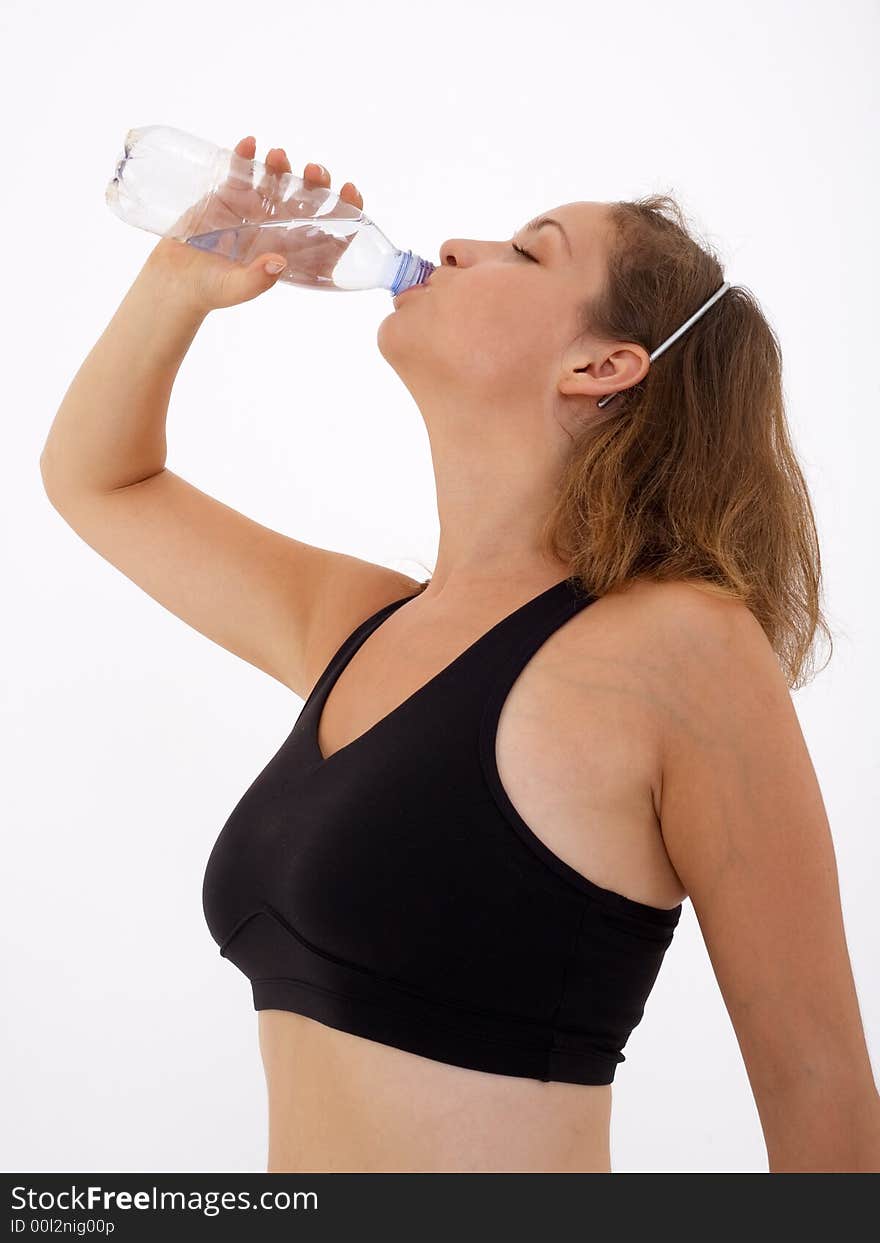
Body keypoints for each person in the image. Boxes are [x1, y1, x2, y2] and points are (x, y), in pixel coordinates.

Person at [40, 137, 880, 1174]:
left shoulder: (682, 649)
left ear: (601, 365)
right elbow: (98, 480)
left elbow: (817, 1086)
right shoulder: (362, 627)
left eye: (529, 253)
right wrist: (180, 277)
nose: (457, 246)